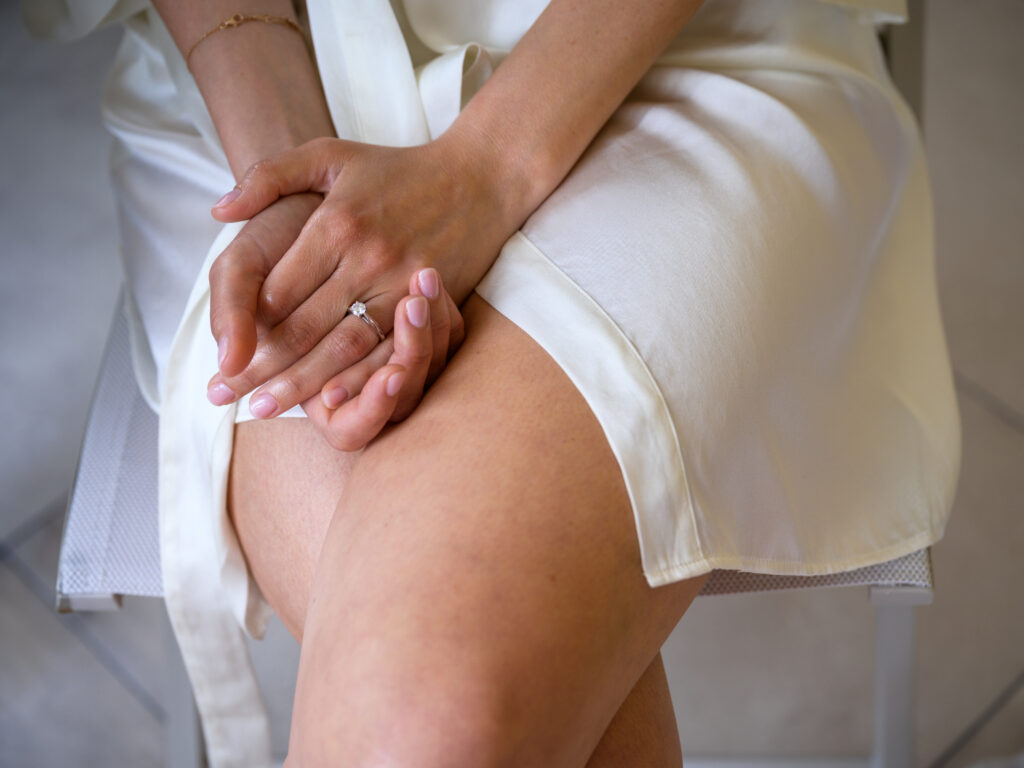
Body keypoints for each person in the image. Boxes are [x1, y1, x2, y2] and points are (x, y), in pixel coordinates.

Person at [29, 0, 961, 764]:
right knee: (438, 721)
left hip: (652, 53)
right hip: (256, 89)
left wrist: (487, 168)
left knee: (429, 726)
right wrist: (296, 185)